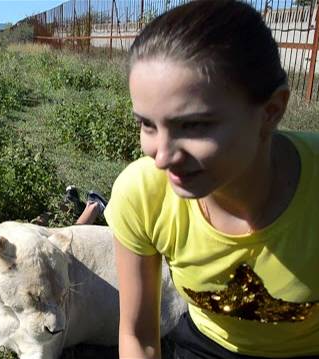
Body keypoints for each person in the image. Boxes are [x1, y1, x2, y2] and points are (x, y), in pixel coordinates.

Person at [104, 1, 319, 358]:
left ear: (271, 111)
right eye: (147, 124)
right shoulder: (142, 195)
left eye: (195, 126)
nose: (162, 156)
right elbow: (139, 337)